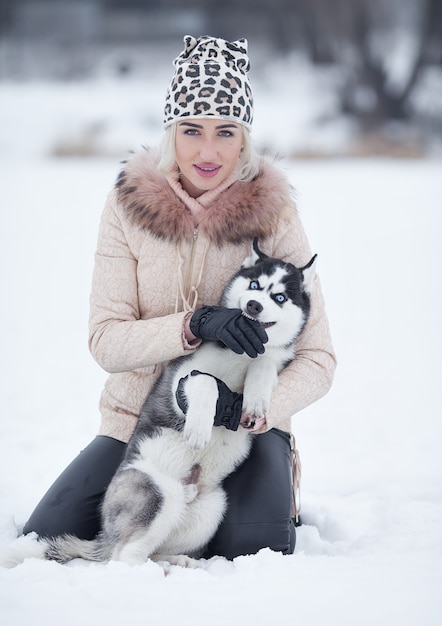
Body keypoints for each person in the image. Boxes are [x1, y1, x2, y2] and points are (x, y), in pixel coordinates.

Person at [23, 35, 336, 560]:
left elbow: (319, 359)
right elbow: (106, 341)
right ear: (171, 131)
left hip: (245, 432)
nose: (208, 152)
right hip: (143, 425)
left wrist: (252, 411)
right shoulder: (127, 206)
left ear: (244, 138)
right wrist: (193, 325)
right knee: (45, 533)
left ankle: (274, 486)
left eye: (225, 132)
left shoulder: (274, 213)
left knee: (250, 547)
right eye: (192, 130)